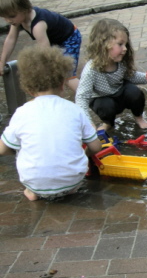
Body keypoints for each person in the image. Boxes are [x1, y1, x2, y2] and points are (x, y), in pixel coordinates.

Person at [0, 46, 102, 202]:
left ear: (28, 88)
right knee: (74, 171)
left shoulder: (22, 112)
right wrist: (84, 154)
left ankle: (32, 191)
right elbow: (96, 147)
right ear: (62, 83)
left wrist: (21, 150)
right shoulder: (75, 110)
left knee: (19, 146)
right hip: (72, 181)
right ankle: (69, 188)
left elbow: (2, 149)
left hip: (36, 183)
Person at [0, 0, 82, 92]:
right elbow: (10, 39)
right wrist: (2, 61)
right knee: (55, 72)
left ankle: (89, 98)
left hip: (70, 37)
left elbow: (45, 53)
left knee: (67, 75)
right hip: (55, 39)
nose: (8, 20)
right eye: (4, 17)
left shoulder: (38, 26)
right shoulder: (18, 20)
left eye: (11, 16)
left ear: (24, 8)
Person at [75, 18, 147, 132]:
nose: (125, 49)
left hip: (120, 94)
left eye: (125, 44)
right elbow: (82, 97)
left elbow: (132, 76)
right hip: (103, 99)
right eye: (120, 44)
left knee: (135, 92)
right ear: (104, 44)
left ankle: (139, 117)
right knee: (105, 106)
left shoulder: (120, 62)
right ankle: (108, 122)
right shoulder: (91, 69)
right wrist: (88, 123)